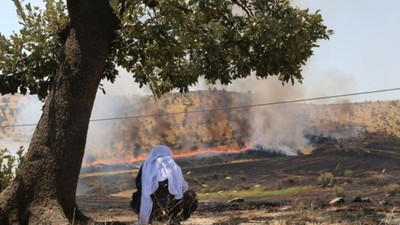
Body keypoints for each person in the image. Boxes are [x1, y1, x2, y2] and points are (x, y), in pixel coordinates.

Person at [130, 145, 198, 225]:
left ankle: (148, 219)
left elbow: (139, 185)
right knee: (191, 195)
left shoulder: (145, 166)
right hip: (171, 209)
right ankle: (175, 219)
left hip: (150, 210)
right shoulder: (173, 166)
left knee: (135, 197)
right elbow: (181, 187)